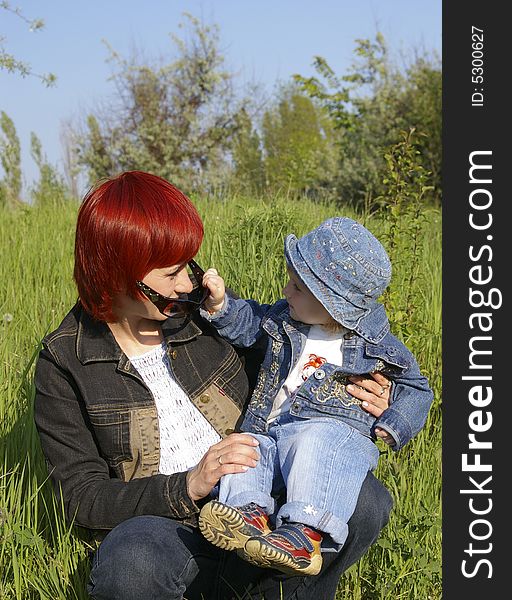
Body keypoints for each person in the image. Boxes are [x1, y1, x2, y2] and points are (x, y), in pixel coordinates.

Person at [33, 171, 393, 600]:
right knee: (131, 561)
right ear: (116, 275)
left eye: (189, 264)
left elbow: (294, 370)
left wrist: (357, 392)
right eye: (171, 274)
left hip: (261, 502)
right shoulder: (65, 361)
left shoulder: (207, 314)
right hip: (170, 527)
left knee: (366, 499)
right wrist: (190, 484)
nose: (188, 284)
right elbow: (83, 498)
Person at [197, 217, 434, 577]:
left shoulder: (376, 349)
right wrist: (220, 306)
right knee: (245, 447)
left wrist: (393, 423)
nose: (286, 291)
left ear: (332, 303)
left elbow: (417, 388)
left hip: (330, 440)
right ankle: (248, 516)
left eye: (297, 287)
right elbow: (250, 323)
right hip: (271, 429)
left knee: (316, 440)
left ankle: (303, 536)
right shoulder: (286, 320)